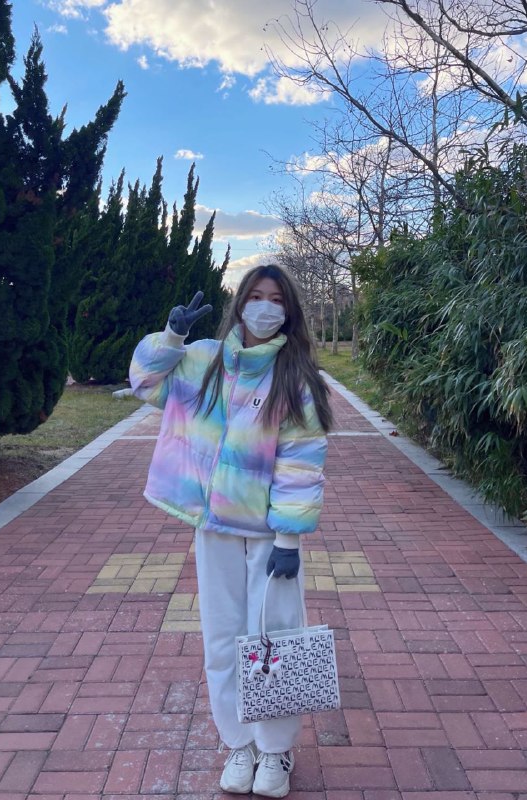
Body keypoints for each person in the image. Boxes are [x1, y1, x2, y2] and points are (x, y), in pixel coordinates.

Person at [129, 264, 331, 798]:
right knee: (221, 640)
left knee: (276, 639)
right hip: (214, 527)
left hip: (269, 536)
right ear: (239, 304)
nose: (265, 307)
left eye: (276, 299)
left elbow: (301, 460)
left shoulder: (294, 376)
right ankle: (239, 743)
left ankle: (276, 750)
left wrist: (289, 538)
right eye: (256, 296)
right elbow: (144, 383)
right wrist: (171, 337)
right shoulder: (203, 361)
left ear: (288, 311)